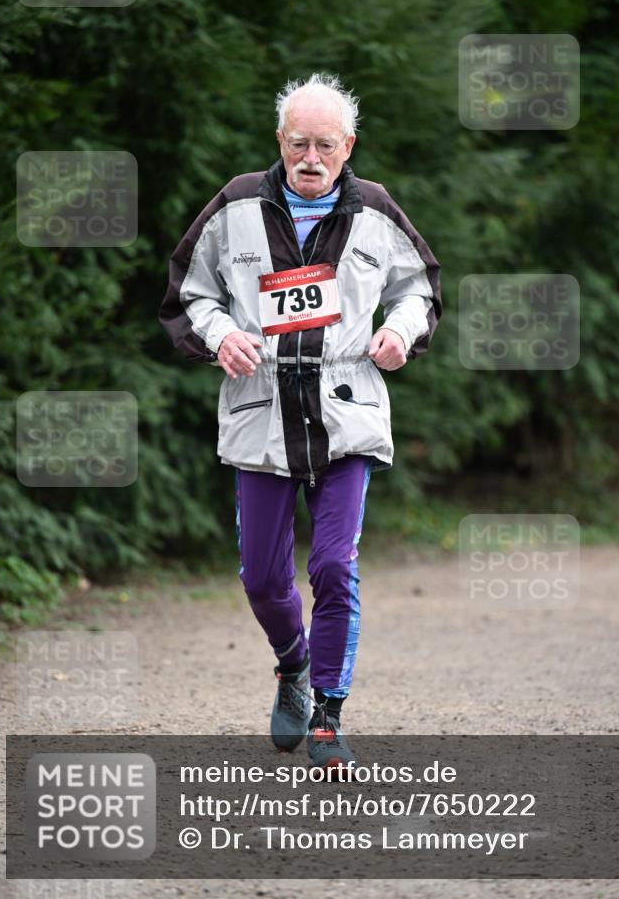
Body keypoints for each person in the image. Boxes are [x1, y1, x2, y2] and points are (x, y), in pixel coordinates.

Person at [159, 73, 441, 774]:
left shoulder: (375, 210)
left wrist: (401, 333)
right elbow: (189, 292)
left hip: (346, 411)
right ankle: (291, 662)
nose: (309, 158)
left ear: (347, 147)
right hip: (261, 413)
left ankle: (327, 715)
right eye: (296, 144)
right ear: (278, 143)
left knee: (333, 567)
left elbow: (420, 289)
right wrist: (221, 334)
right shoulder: (235, 205)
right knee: (261, 578)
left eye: (324, 144)